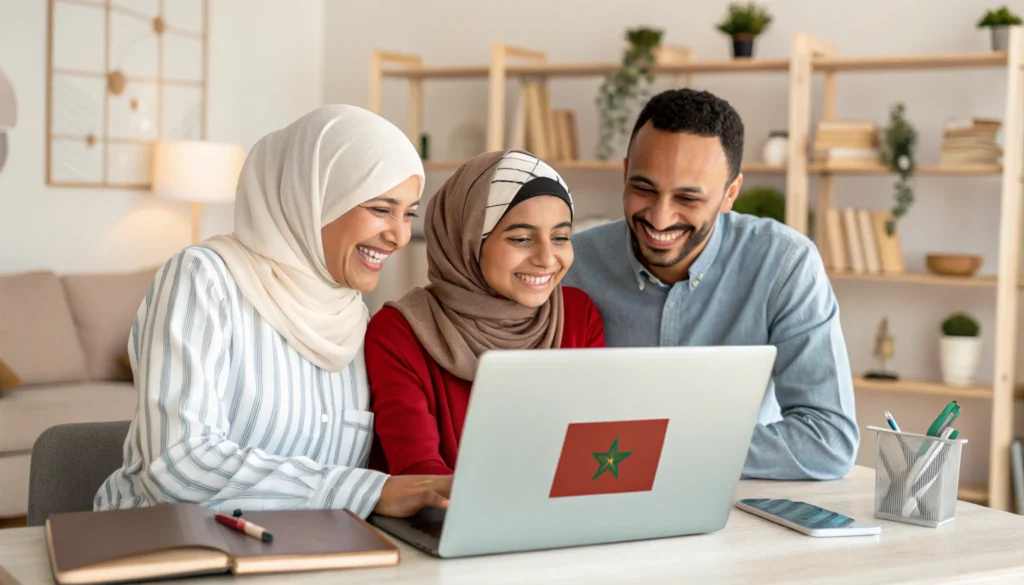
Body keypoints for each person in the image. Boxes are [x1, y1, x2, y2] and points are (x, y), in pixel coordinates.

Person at [94, 105, 453, 519]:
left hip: (301, 552)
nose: (400, 235)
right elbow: (179, 464)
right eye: (380, 209)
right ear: (314, 197)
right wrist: (367, 491)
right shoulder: (204, 279)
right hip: (167, 547)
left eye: (408, 214)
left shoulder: (353, 316)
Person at [562, 88, 859, 481]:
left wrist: (656, 450)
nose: (660, 217)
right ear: (624, 172)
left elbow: (828, 441)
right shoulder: (570, 265)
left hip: (735, 509)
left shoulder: (784, 264)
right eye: (644, 188)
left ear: (729, 194)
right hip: (597, 490)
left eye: (687, 197)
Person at [364, 150, 605, 476]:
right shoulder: (399, 332)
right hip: (444, 522)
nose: (548, 259)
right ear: (467, 240)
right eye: (521, 238)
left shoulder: (577, 315)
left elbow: (595, 445)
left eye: (560, 237)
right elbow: (420, 477)